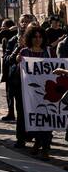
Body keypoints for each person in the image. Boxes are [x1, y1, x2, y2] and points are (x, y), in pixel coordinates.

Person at [9, 24, 52, 157]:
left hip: (44, 90)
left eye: (40, 37)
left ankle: (45, 146)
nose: (38, 39)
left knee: (45, 117)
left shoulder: (47, 52)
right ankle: (36, 142)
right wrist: (18, 62)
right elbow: (18, 72)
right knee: (32, 117)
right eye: (35, 37)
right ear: (30, 38)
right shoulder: (24, 52)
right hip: (28, 91)